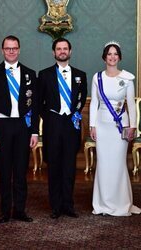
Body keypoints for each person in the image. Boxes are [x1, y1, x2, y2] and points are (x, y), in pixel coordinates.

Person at [0, 35, 39, 223]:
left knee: (20, 170)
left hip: (22, 127)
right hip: (2, 126)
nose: (11, 51)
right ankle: (5, 211)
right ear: (2, 50)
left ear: (19, 49)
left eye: (14, 48)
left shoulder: (30, 74)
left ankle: (20, 210)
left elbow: (34, 107)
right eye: (8, 48)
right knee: (4, 170)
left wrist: (34, 131)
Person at [90, 41, 141, 216]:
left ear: (119, 57)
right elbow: (94, 103)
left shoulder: (127, 78)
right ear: (105, 57)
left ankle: (121, 203)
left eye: (115, 54)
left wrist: (132, 126)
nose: (112, 57)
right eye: (109, 54)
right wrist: (92, 125)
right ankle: (103, 203)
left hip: (121, 126)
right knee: (104, 164)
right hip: (102, 125)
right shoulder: (97, 78)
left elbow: (131, 105)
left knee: (118, 164)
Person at [38, 37, 87, 219]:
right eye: (59, 49)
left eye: (65, 48)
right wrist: (50, 117)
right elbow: (39, 102)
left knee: (69, 166)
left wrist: (74, 113)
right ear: (54, 53)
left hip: (71, 126)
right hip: (53, 124)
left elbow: (82, 98)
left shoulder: (80, 75)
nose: (62, 51)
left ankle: (68, 204)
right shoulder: (44, 75)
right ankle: (55, 206)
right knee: (54, 166)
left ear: (70, 51)